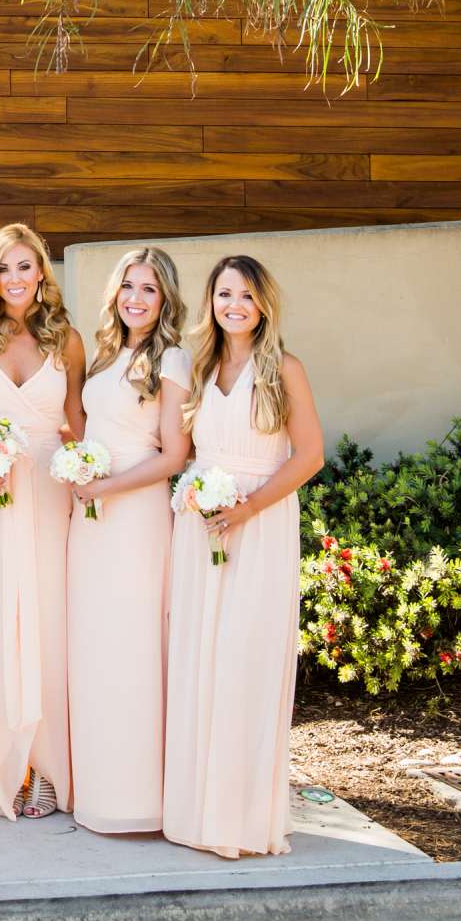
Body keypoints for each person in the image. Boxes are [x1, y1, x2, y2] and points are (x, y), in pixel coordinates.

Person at [163, 254, 324, 859]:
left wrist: (249, 508)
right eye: (225, 294)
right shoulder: (196, 367)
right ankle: (194, 812)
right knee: (199, 659)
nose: (235, 305)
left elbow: (308, 456)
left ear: (263, 306)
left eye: (247, 297)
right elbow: (180, 452)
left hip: (259, 526)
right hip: (200, 527)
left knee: (244, 661)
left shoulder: (284, 368)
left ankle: (242, 818)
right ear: (211, 301)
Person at [0, 221, 85, 821]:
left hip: (49, 491)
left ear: (42, 274)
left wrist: (89, 477)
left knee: (47, 624)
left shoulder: (68, 340)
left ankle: (49, 770)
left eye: (25, 267)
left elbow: (79, 424)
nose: (14, 279)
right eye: (3, 268)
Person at [66, 246, 192, 836]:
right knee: (97, 643)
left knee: (136, 644)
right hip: (94, 512)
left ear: (164, 299)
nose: (136, 299)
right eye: (128, 287)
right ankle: (101, 789)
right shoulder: (107, 354)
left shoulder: (171, 360)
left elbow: (173, 455)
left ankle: (141, 797)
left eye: (149, 290)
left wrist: (107, 487)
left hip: (136, 513)